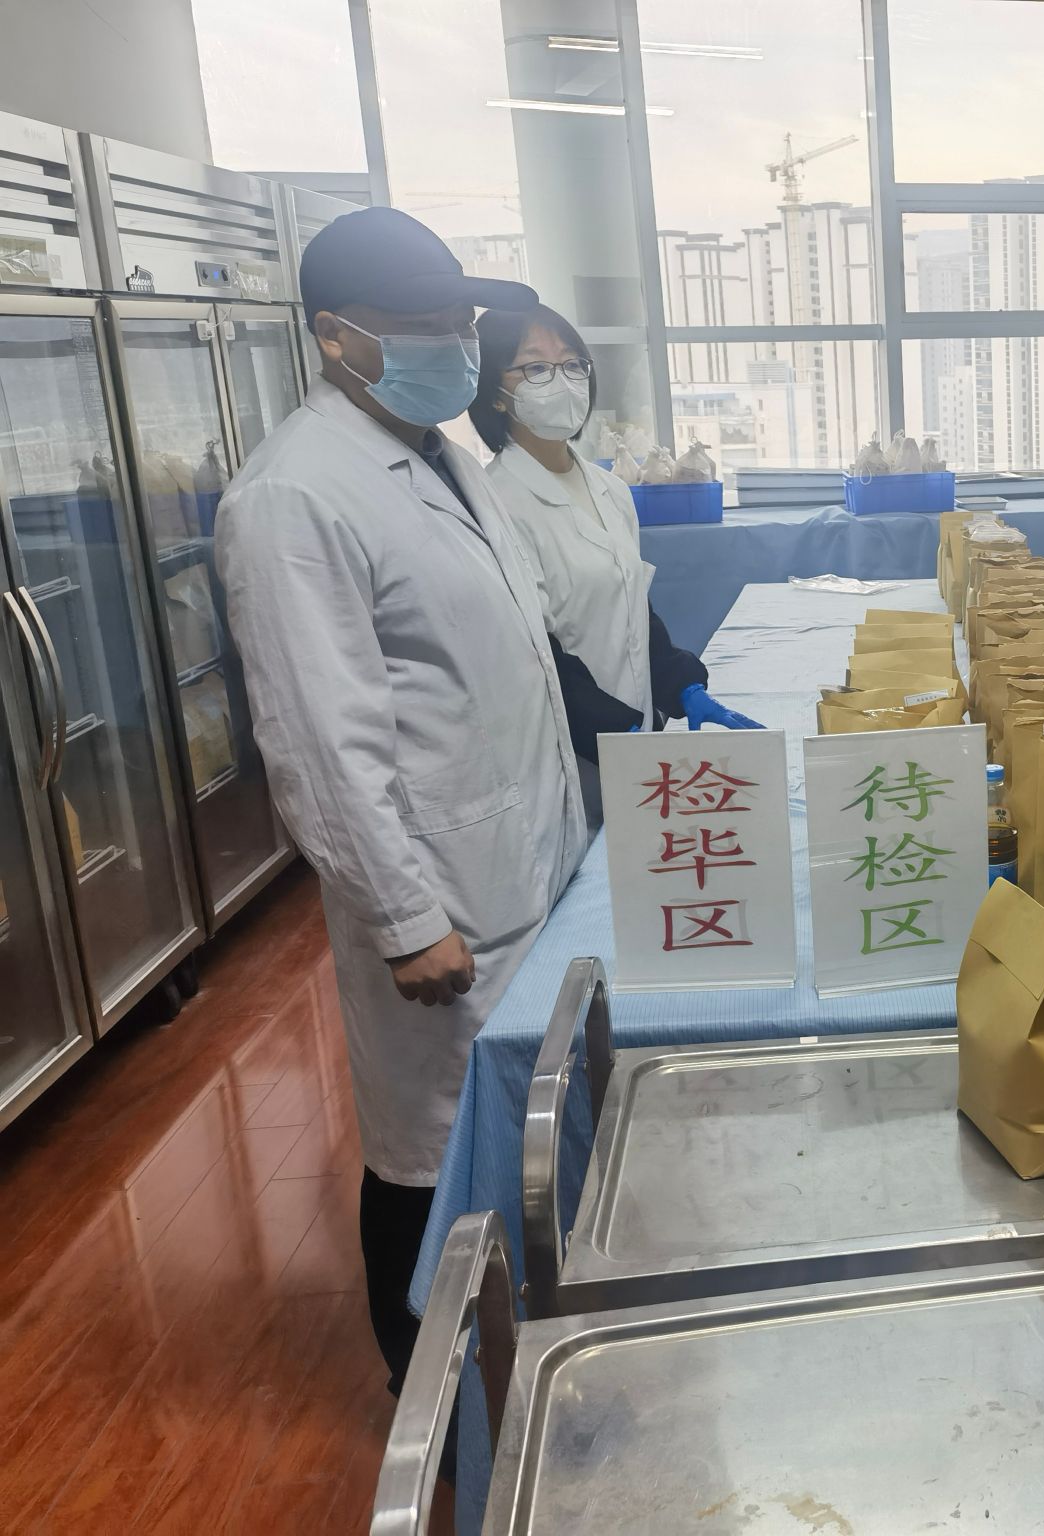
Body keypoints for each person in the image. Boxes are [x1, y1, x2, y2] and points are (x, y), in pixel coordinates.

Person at [215, 207, 586, 1394]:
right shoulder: (293, 497)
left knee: (514, 1116)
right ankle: (422, 1384)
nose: (456, 346)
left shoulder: (441, 458)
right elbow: (319, 738)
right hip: (441, 891)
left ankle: (522, 1346)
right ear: (337, 338)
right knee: (427, 1147)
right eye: (423, 326)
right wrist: (402, 916)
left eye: (460, 322)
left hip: (524, 849)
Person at [467, 305, 757, 824]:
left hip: (635, 732)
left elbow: (632, 603)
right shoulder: (496, 504)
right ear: (494, 392)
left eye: (572, 363)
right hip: (572, 748)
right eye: (536, 367)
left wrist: (680, 683)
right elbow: (534, 655)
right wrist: (616, 731)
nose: (562, 381)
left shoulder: (610, 489)